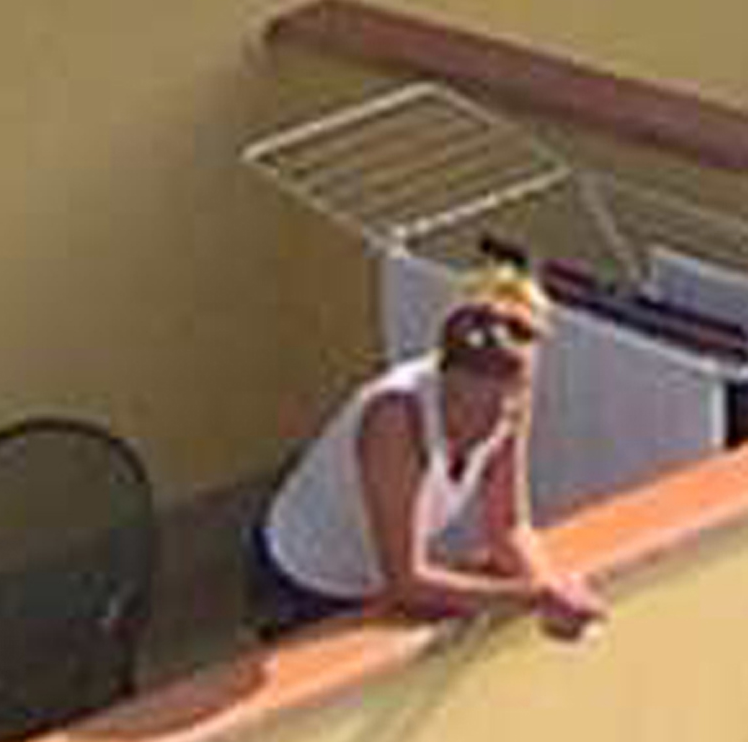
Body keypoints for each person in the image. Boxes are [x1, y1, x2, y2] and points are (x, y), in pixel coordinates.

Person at [252, 264, 610, 642]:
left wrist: (551, 589)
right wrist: (533, 598)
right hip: (307, 582)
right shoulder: (393, 418)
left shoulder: (511, 398)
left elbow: (508, 525)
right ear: (444, 377)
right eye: (467, 410)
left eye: (501, 410)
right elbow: (406, 580)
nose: (486, 428)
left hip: (381, 577)